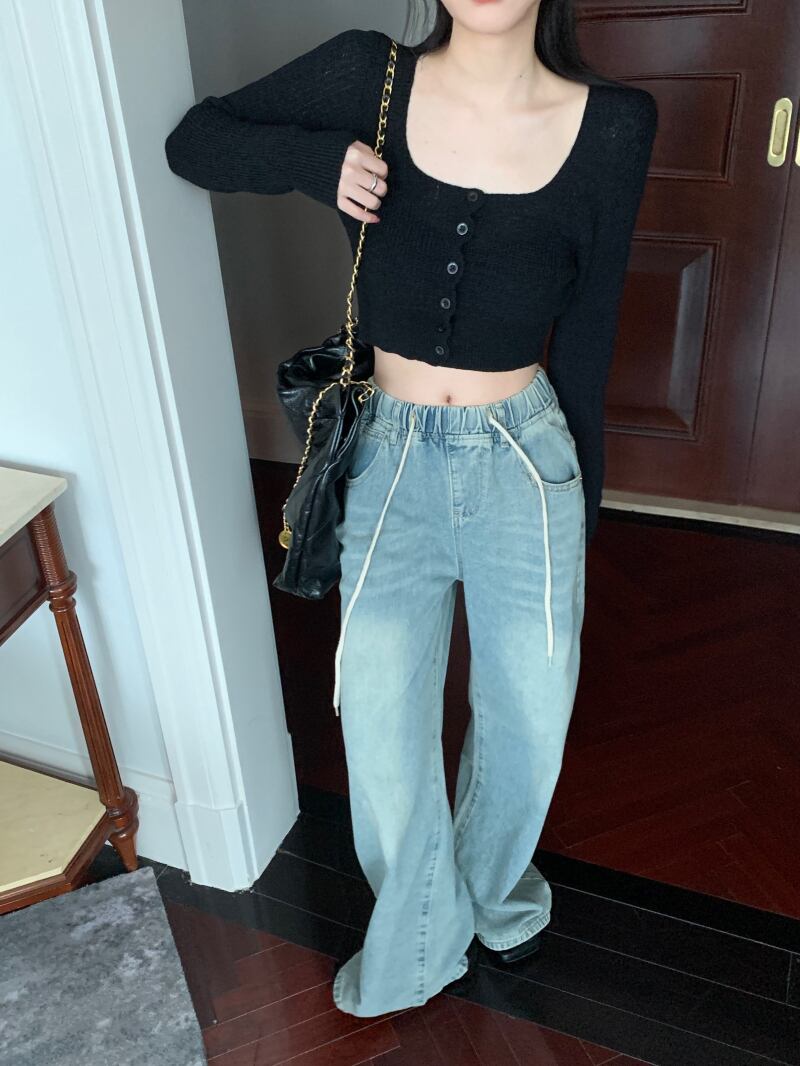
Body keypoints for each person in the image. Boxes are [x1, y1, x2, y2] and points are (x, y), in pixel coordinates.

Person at [164, 0, 657, 1019]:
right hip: (390, 454)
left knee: (528, 718)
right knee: (381, 715)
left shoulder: (614, 124)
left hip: (525, 458)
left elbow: (591, 329)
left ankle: (492, 894)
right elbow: (193, 141)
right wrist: (316, 163)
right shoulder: (366, 77)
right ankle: (420, 931)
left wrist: (580, 511)